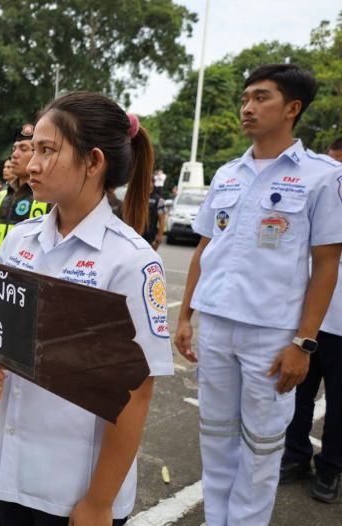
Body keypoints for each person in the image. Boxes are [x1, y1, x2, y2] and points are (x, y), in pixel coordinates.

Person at [0, 91, 172, 526]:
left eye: (47, 150)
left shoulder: (131, 262)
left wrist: (98, 502)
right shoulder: (19, 241)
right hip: (11, 470)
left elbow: (135, 394)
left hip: (75, 490)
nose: (32, 164)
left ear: (94, 161)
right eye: (33, 150)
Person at [174, 64, 342, 525]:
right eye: (246, 98)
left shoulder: (321, 177)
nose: (247, 107)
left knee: (262, 446)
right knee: (216, 437)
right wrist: (186, 316)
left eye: (261, 98)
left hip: (272, 335)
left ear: (292, 108)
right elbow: (205, 248)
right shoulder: (229, 173)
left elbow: (327, 264)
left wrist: (304, 343)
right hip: (216, 327)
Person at [280, 139, 342, 504]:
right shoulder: (315, 197)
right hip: (308, 318)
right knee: (298, 394)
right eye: (332, 165)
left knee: (338, 405)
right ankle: (296, 455)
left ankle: (331, 467)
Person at [0, 125, 51, 261]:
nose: (14, 155)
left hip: (28, 275)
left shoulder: (49, 196)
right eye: (14, 149)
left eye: (23, 149)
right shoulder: (2, 194)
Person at [141, 180, 166, 250]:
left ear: (153, 183)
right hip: (137, 234)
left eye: (149, 181)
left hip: (151, 237)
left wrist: (159, 238)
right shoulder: (139, 197)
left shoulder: (159, 200)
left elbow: (162, 220)